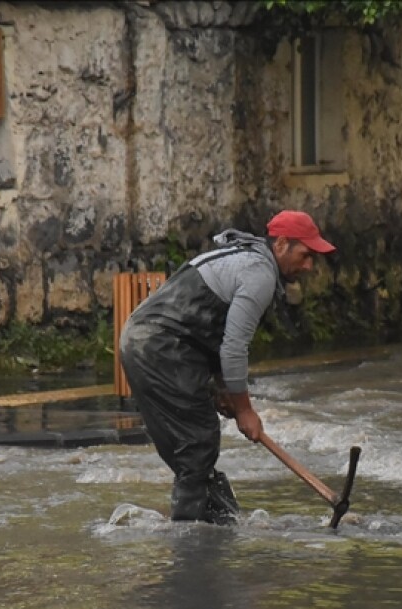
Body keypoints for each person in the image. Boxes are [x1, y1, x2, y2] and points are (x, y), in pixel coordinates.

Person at [119, 210, 336, 525]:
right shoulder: (259, 273)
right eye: (305, 255)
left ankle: (218, 524)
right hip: (161, 347)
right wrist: (245, 409)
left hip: (145, 342)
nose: (309, 266)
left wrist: (224, 390)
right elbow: (234, 347)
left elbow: (210, 328)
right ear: (282, 244)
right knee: (197, 445)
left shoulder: (241, 258)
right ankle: (190, 542)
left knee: (193, 452)